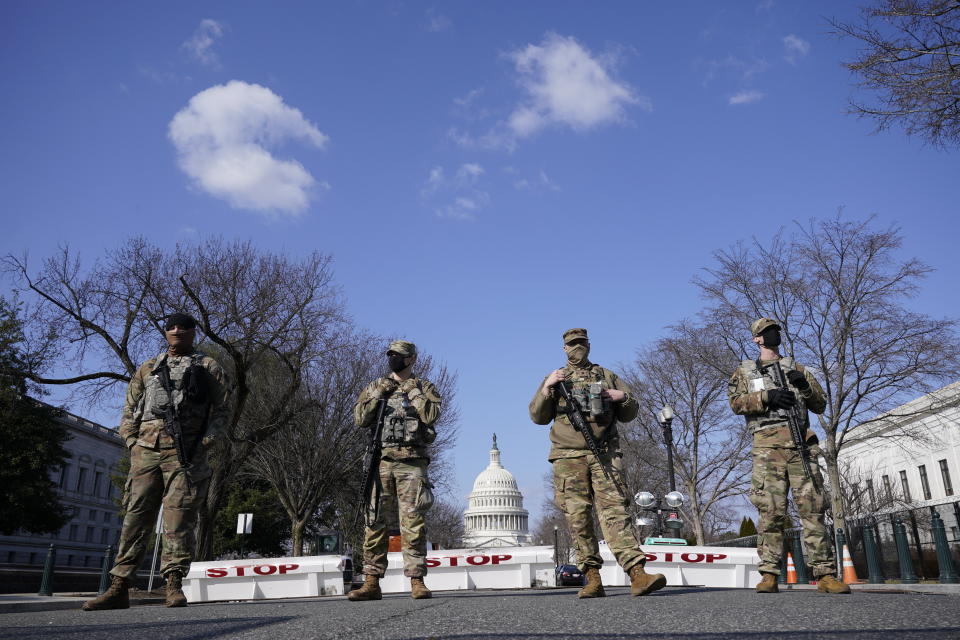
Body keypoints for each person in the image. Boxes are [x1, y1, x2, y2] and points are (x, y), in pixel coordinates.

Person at [83, 313, 232, 610]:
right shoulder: (149, 367)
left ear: (193, 332)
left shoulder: (208, 366)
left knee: (178, 519)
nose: (177, 330)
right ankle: (119, 585)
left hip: (186, 450)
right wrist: (131, 441)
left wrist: (208, 439)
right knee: (136, 515)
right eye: (171, 326)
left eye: (183, 326)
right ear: (165, 332)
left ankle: (173, 584)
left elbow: (224, 409)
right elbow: (129, 407)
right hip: (146, 449)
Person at [529, 328, 666, 599]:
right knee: (578, 518)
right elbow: (537, 416)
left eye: (581, 343)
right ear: (564, 349)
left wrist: (621, 398)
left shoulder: (606, 376)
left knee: (616, 512)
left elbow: (631, 411)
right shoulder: (555, 377)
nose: (577, 348)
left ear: (589, 345)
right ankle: (591, 578)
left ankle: (637, 574)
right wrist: (547, 388)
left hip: (604, 452)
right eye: (572, 344)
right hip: (568, 456)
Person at [728, 317, 850, 594]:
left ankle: (825, 574)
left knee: (813, 509)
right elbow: (736, 404)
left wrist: (804, 386)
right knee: (770, 512)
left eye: (775, 331)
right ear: (756, 339)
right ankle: (769, 573)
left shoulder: (797, 368)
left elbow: (819, 405)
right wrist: (765, 398)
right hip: (767, 448)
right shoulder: (745, 371)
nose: (773, 335)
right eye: (767, 332)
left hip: (800, 445)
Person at [348, 340, 442, 601]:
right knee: (374, 522)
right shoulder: (376, 386)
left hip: (412, 463)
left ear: (411, 358)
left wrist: (412, 391)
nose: (393, 359)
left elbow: (432, 415)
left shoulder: (424, 387)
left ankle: (417, 581)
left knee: (413, 524)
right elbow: (360, 418)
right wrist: (380, 393)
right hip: (381, 462)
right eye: (390, 355)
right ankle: (371, 582)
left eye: (398, 355)